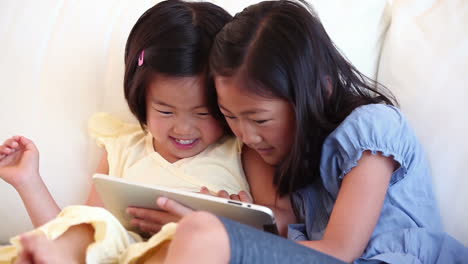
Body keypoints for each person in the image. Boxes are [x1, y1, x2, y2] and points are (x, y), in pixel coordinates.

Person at [147, 0, 467, 263]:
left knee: (204, 233)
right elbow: (283, 226)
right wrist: (230, 215)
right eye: (230, 116)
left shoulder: (371, 128)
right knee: (201, 230)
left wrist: (219, 235)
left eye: (259, 119)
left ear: (319, 90)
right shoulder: (284, 160)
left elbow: (340, 252)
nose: (246, 135)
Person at [0, 1, 252, 263]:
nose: (183, 128)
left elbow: (274, 229)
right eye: (165, 112)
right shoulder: (123, 147)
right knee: (94, 225)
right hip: (118, 255)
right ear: (140, 97)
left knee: (186, 241)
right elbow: (80, 229)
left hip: (188, 251)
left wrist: (237, 225)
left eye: (202, 113)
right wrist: (28, 181)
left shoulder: (241, 149)